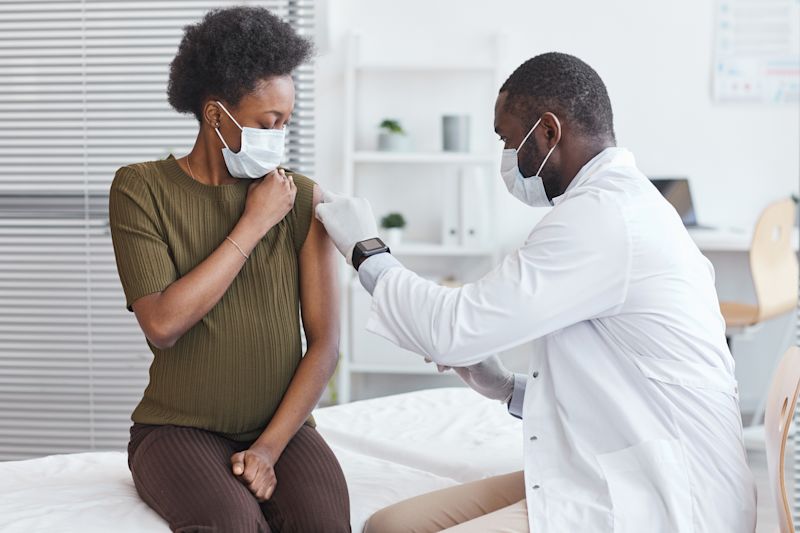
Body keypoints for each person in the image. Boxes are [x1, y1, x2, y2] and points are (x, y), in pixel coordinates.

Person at [316, 52, 756, 532]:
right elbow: (611, 388)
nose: (506, 157)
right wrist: (505, 388)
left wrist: (366, 250)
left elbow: (451, 329)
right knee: (388, 527)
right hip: (625, 462)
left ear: (548, 131)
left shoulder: (602, 219)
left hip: (666, 496)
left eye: (508, 139)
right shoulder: (615, 205)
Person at [109, 7, 350, 532]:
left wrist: (267, 448)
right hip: (176, 430)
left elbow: (326, 343)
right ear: (216, 114)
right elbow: (164, 325)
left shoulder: (301, 198)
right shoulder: (141, 189)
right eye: (269, 123)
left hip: (280, 429)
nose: (280, 136)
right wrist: (253, 224)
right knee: (236, 527)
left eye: (286, 122)